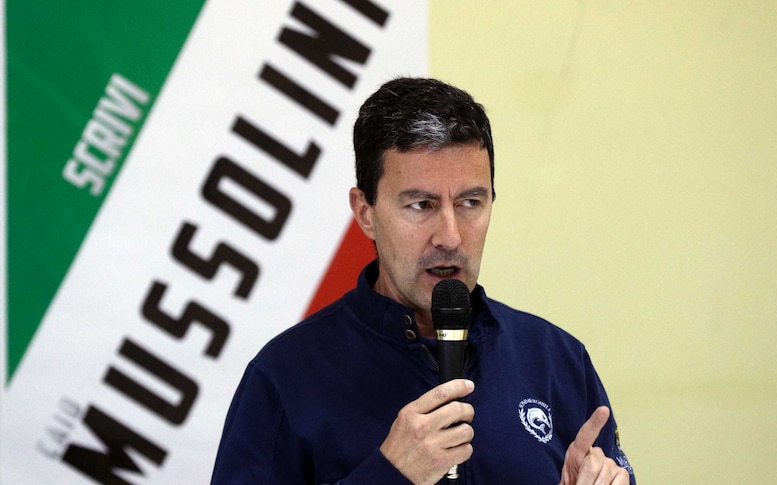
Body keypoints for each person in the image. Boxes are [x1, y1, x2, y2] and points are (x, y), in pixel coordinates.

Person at [210, 77, 635, 484]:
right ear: (366, 213)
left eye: (471, 202)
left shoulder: (556, 360)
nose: (450, 236)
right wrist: (388, 474)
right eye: (420, 205)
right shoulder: (285, 376)